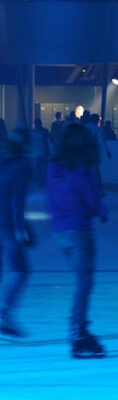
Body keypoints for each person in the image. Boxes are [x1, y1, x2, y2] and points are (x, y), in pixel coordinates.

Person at [47, 123, 108, 358]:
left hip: (59, 232)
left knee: (81, 281)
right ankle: (78, 330)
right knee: (84, 283)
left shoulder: (53, 167)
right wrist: (102, 211)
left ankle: (79, 327)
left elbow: (51, 196)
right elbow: (90, 196)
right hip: (79, 230)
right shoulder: (82, 168)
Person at [0, 128, 33, 337]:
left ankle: (5, 314)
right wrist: (20, 227)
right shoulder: (24, 165)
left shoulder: (3, 162)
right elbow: (18, 198)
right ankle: (6, 314)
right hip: (6, 225)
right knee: (21, 269)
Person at [32, 118, 53, 189]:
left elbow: (50, 139)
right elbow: (51, 139)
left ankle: (41, 183)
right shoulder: (43, 131)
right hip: (40, 152)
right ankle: (42, 183)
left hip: (40, 152)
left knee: (41, 168)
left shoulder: (35, 131)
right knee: (42, 168)